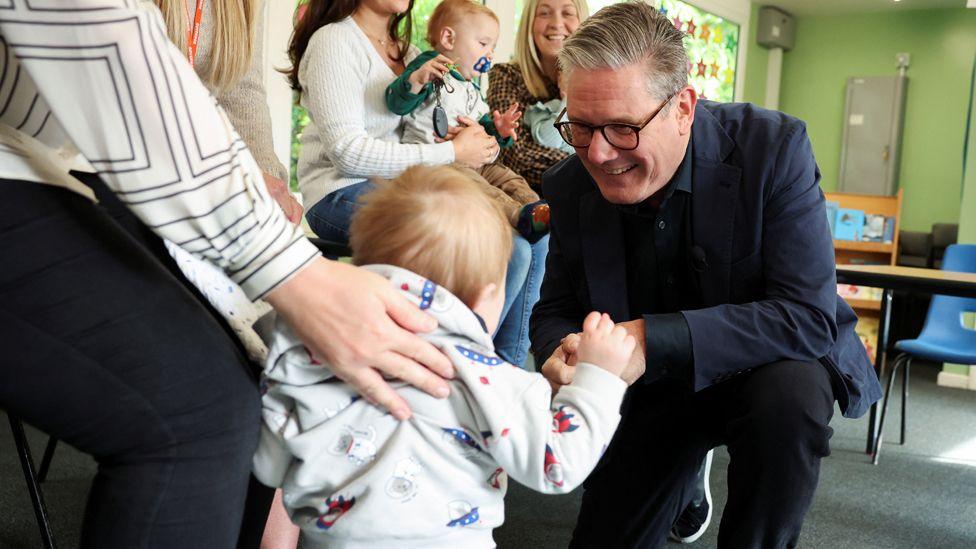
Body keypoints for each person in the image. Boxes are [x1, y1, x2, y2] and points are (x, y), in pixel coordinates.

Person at [0, 2, 456, 547]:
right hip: (63, 162)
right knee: (198, 413)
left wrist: (264, 181)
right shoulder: (338, 42)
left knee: (270, 364)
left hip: (108, 164)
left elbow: (230, 92)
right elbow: (110, 54)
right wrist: (294, 271)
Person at [531, 3, 882, 548]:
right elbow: (553, 309)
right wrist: (560, 349)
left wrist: (650, 338)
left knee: (790, 396)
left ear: (683, 109)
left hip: (762, 373)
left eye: (623, 128)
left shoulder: (773, 150)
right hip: (645, 390)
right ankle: (683, 475)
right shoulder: (570, 184)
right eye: (580, 127)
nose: (597, 153)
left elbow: (809, 316)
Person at [253, 165, 632, 548]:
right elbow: (558, 466)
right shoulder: (498, 382)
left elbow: (268, 466)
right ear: (486, 298)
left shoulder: (316, 357)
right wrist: (598, 376)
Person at [288, 0, 541, 367]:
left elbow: (433, 131)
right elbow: (347, 154)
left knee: (533, 239)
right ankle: (469, 371)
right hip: (342, 192)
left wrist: (475, 139)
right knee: (508, 250)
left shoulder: (412, 54)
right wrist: (451, 153)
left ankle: (505, 372)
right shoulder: (334, 42)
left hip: (406, 186)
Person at [385, 0, 551, 244]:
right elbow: (396, 104)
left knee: (509, 178)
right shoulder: (428, 68)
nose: (490, 54)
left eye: (492, 47)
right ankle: (518, 217)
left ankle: (539, 211)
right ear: (449, 39)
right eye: (483, 44)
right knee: (479, 188)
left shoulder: (471, 87)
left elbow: (482, 131)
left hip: (474, 162)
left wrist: (499, 130)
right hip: (438, 164)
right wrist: (417, 80)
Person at [486, 0, 587, 192]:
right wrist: (592, 169)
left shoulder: (597, 80)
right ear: (529, 24)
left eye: (567, 13)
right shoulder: (506, 76)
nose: (556, 23)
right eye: (544, 13)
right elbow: (518, 157)